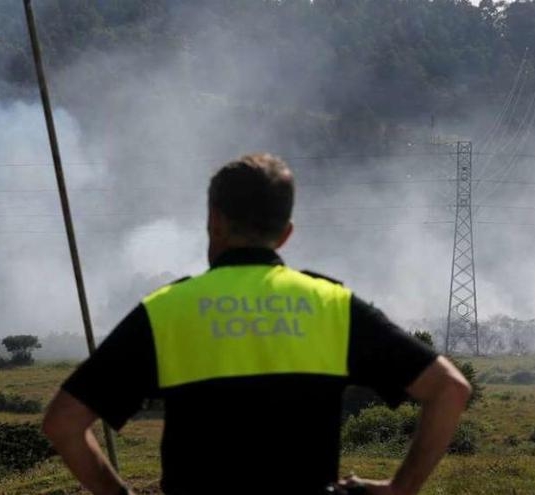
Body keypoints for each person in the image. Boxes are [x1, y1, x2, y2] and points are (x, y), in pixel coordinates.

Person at [42, 154, 472, 495]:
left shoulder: (168, 310)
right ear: (285, 233)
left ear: (214, 221)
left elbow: (63, 423)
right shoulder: (330, 305)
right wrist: (401, 488)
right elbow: (450, 388)